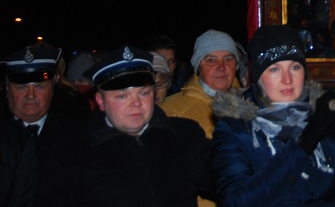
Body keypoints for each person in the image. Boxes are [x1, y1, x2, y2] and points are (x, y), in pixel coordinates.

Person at [210, 24, 335, 206]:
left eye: (295, 67)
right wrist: (301, 148)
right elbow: (235, 202)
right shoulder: (236, 129)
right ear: (257, 76)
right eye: (274, 69)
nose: (287, 79)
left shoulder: (319, 114)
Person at [35, 44, 215, 206]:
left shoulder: (185, 136)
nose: (136, 103)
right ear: (100, 101)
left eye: (143, 93)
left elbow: (228, 182)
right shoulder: (70, 156)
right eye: (122, 96)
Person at [160, 29, 242, 207]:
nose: (221, 67)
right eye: (211, 60)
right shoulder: (171, 110)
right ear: (198, 67)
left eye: (228, 59)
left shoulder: (252, 106)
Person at [0, 45, 87, 207]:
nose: (31, 95)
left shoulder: (78, 137)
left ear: (53, 88)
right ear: (7, 88)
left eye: (40, 86)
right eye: (22, 87)